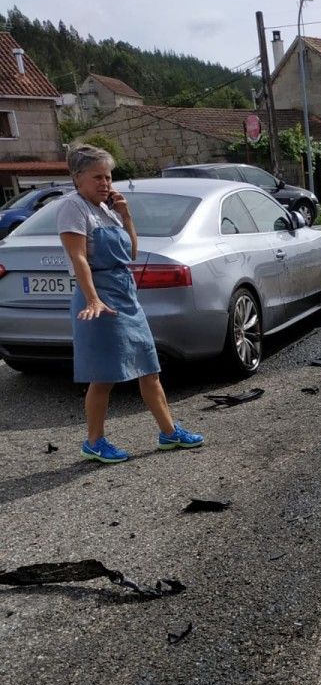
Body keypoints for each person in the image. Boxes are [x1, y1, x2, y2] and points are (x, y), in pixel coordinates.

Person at [58, 144, 203, 464]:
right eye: (97, 177)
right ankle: (94, 442)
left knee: (149, 369)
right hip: (99, 299)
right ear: (77, 178)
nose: (105, 183)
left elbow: (131, 254)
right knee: (103, 376)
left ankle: (169, 432)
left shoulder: (107, 209)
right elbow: (78, 257)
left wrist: (125, 215)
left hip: (126, 296)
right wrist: (93, 298)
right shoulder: (74, 207)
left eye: (108, 177)